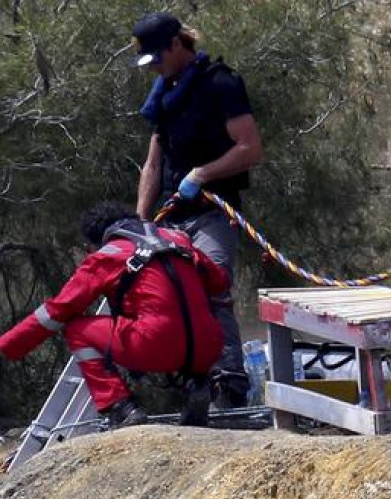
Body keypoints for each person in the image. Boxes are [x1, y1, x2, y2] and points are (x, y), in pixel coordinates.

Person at [0, 201, 230, 429]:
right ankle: (198, 386)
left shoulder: (105, 256)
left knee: (76, 330)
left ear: (95, 241)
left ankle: (121, 408)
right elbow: (219, 282)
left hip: (155, 343)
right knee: (190, 323)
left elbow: (54, 313)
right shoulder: (179, 240)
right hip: (210, 345)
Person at [132, 12, 263, 408]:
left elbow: (251, 149)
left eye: (157, 57)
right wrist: (140, 221)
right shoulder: (166, 94)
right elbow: (153, 164)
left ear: (176, 44)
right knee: (166, 293)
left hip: (213, 209)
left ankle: (231, 382)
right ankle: (193, 383)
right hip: (172, 215)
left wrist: (202, 174)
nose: (153, 66)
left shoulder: (221, 84)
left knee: (212, 284)